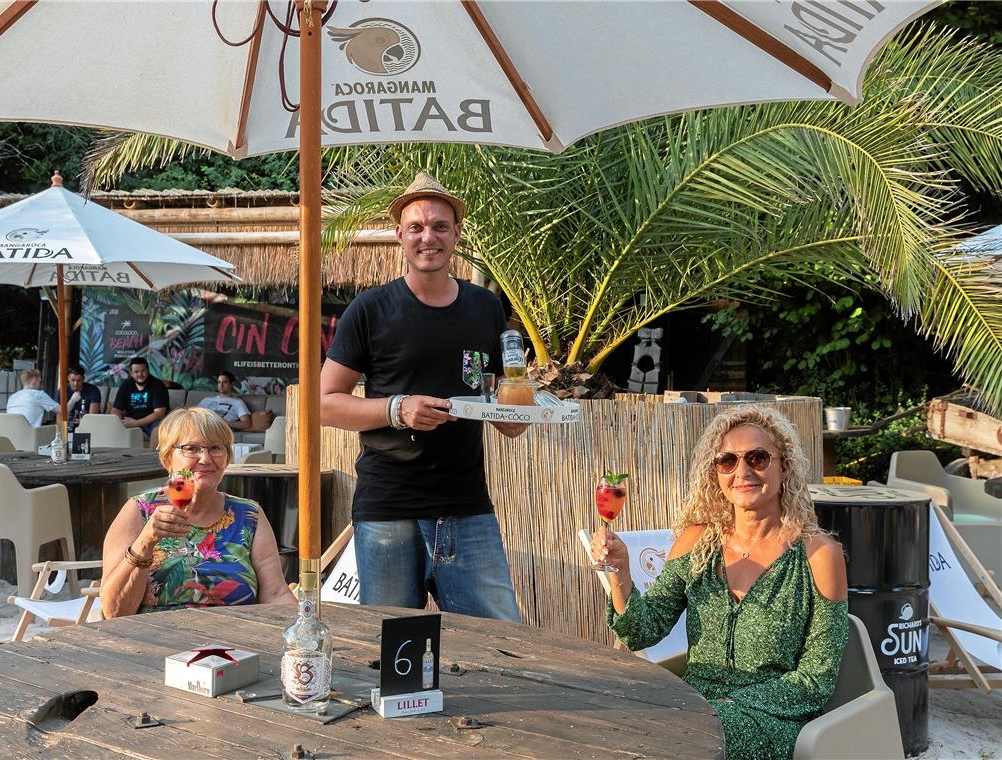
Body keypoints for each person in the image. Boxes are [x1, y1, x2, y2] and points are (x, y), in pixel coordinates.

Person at [319, 172, 527, 622]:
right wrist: (397, 409)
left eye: (439, 226)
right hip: (388, 508)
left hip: (467, 504)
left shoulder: (486, 307)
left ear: (456, 233)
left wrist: (514, 413)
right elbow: (324, 403)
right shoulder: (370, 309)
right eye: (416, 227)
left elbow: (500, 395)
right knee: (399, 656)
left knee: (503, 642)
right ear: (399, 235)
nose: (427, 237)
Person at [590, 406, 849, 760]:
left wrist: (726, 705)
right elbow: (641, 631)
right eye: (727, 460)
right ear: (716, 473)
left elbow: (815, 681)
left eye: (757, 458)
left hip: (771, 717)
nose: (742, 471)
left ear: (784, 466)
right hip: (694, 706)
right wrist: (619, 570)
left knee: (675, 739)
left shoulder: (819, 555)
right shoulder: (698, 542)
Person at [100, 407, 296, 617]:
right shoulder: (139, 511)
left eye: (215, 448)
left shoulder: (248, 515)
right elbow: (114, 612)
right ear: (168, 458)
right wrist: (146, 542)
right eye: (191, 448)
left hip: (234, 642)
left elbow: (275, 593)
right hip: (155, 640)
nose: (205, 458)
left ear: (227, 458)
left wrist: (306, 626)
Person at [109, 357, 169, 438]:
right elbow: (116, 410)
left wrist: (135, 423)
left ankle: (151, 451)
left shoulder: (157, 385)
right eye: (136, 372)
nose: (140, 374)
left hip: (152, 421)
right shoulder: (126, 385)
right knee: (111, 426)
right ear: (131, 373)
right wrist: (117, 420)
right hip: (131, 419)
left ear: (148, 371)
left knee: (158, 430)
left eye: (143, 371)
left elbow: (159, 414)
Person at [197, 371, 271, 433]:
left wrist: (227, 424)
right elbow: (193, 417)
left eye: (224, 382)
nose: (221, 385)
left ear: (231, 384)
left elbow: (246, 423)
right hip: (201, 427)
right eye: (219, 382)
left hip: (219, 430)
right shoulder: (206, 400)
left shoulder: (237, 402)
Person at [53, 365, 101, 433]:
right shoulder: (62, 391)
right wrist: (72, 401)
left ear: (83, 379)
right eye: (73, 380)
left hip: (88, 428)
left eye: (79, 380)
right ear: (68, 378)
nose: (76, 384)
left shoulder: (93, 390)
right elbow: (59, 418)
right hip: (68, 428)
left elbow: (92, 418)